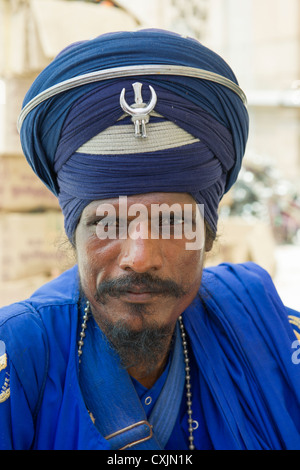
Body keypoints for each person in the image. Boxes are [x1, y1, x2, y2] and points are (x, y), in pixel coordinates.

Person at [0, 29, 300, 451]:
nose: (140, 258)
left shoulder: (265, 333)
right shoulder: (20, 355)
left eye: (173, 222)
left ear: (209, 235)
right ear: (74, 236)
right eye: (108, 223)